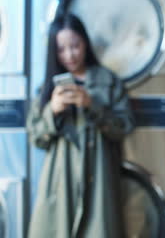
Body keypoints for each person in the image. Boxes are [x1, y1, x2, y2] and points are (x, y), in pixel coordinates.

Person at [27, 13, 135, 237]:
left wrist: (91, 105)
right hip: (59, 183)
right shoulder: (47, 87)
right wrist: (52, 111)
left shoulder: (108, 81)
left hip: (99, 179)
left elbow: (124, 126)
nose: (69, 55)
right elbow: (36, 137)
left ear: (85, 43)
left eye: (75, 46)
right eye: (61, 49)